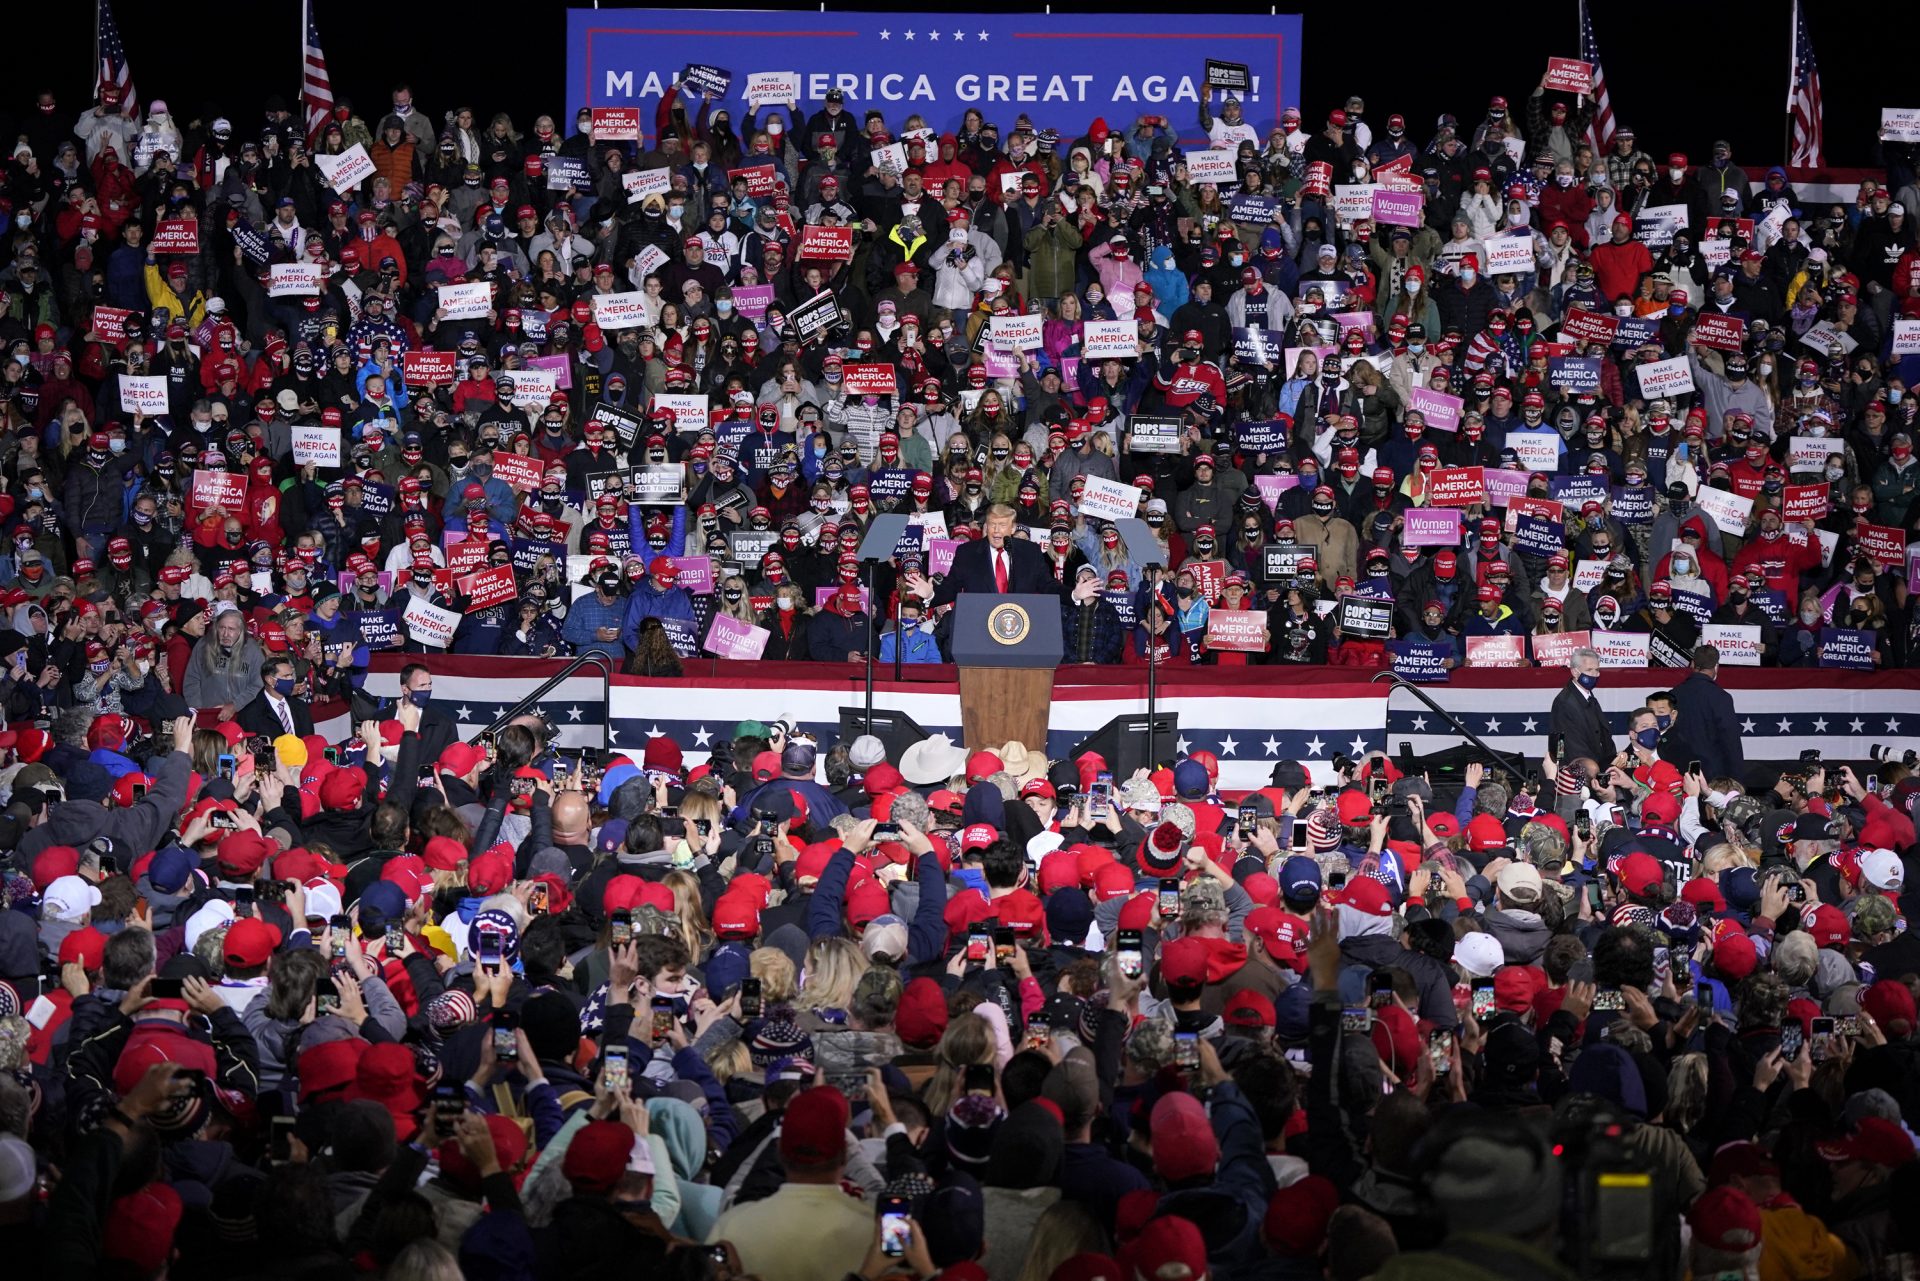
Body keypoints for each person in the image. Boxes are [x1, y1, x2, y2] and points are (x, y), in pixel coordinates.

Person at [1670, 643, 1744, 782]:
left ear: (1692, 664)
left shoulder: (1673, 694)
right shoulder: (1721, 697)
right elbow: (1730, 741)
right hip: (1713, 776)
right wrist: (1737, 780)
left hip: (1679, 773)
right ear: (1716, 666)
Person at [1548, 646, 1614, 767]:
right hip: (1580, 770)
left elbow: (1603, 734)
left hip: (1597, 764)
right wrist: (1603, 766)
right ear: (1574, 672)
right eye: (1589, 670)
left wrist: (1612, 760)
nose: (1594, 675)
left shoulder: (1588, 696)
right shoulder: (1564, 703)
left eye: (1597, 670)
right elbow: (1570, 747)